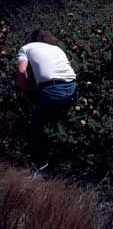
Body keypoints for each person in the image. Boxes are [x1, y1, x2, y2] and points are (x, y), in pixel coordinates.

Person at [16, 28, 77, 163]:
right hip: (72, 86)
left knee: (37, 124)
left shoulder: (26, 48)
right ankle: (67, 153)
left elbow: (21, 71)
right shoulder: (57, 49)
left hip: (52, 90)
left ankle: (40, 161)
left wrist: (26, 91)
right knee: (60, 119)